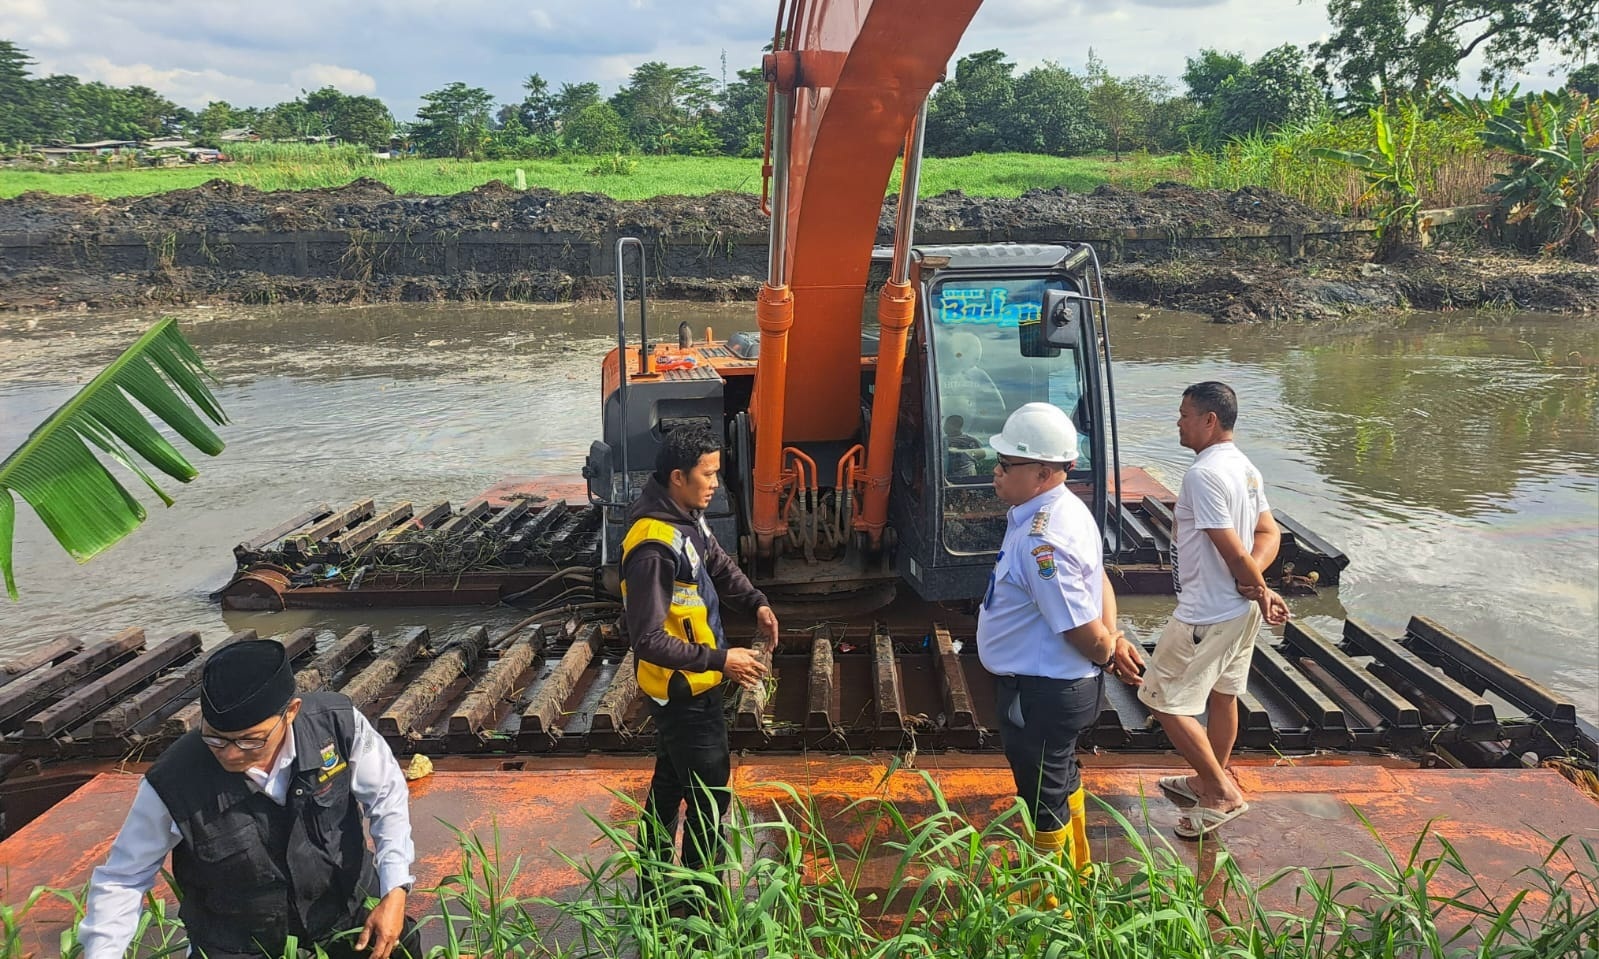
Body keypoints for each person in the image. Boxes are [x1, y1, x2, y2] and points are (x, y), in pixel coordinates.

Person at [78, 640, 418, 959]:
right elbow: (123, 878)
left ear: (291, 712)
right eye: (215, 738)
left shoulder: (337, 725)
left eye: (249, 740)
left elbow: (386, 799)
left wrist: (394, 890)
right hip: (243, 944)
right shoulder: (173, 780)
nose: (230, 753)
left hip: (349, 917)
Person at [976, 402, 1144, 877]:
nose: (996, 471)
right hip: (1056, 688)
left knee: (1041, 799)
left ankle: (1053, 902)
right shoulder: (1068, 509)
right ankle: (1080, 872)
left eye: (1006, 463)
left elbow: (1078, 629)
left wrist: (1107, 648)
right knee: (1063, 778)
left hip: (1041, 693)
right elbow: (1100, 581)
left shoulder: (1041, 540)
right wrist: (1114, 636)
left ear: (1043, 473)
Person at [620, 425, 780, 910]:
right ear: (678, 476)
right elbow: (647, 640)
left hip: (692, 683)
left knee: (670, 787)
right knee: (711, 800)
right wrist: (721, 660)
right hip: (682, 691)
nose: (715, 483)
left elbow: (717, 561)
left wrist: (756, 602)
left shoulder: (686, 517)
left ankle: (654, 891)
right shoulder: (653, 547)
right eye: (707, 474)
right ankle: (702, 908)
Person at [1139, 381, 1289, 839]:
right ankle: (1207, 782)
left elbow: (1231, 549)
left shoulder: (1203, 474)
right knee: (1224, 696)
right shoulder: (1245, 468)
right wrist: (1254, 585)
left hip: (1206, 612)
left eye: (1184, 415)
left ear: (1209, 420)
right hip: (1237, 613)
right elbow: (1268, 535)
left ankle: (1221, 793)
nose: (1178, 423)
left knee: (1160, 699)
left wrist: (1257, 586)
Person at [943, 414, 984, 479]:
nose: (944, 427)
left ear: (955, 426)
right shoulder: (942, 441)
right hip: (949, 477)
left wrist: (961, 452)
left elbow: (982, 454)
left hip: (967, 475)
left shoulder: (970, 440)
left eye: (946, 424)